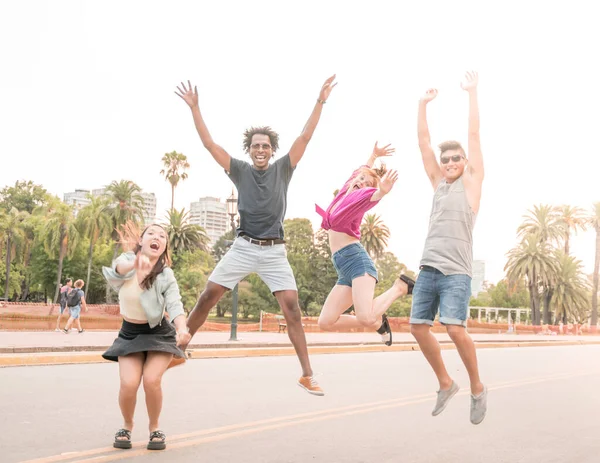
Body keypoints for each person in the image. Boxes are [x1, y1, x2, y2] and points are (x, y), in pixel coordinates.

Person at [175, 75, 337, 396]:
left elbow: (305, 136)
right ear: (249, 151)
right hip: (244, 246)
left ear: (272, 150)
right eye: (255, 146)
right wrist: (196, 108)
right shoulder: (239, 170)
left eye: (265, 146)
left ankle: (307, 374)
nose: (260, 150)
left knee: (292, 309)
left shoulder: (283, 169)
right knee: (208, 296)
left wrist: (319, 101)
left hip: (275, 251)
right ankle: (177, 348)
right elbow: (210, 145)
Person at [411, 71, 487, 424]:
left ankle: (476, 387)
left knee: (455, 329)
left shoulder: (471, 185)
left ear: (465, 163)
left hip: (457, 272)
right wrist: (423, 104)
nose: (452, 163)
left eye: (457, 158)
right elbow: (424, 142)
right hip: (429, 267)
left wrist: (471, 93)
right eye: (448, 160)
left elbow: (473, 135)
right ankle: (445, 382)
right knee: (417, 327)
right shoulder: (438, 184)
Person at [102, 223, 191, 451]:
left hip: (158, 334)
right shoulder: (127, 261)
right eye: (151, 233)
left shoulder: (165, 274)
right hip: (130, 333)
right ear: (141, 241)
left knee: (151, 380)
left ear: (164, 248)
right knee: (129, 384)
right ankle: (127, 426)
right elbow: (117, 269)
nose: (157, 237)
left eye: (162, 236)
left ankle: (155, 428)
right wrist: (136, 262)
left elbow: (175, 303)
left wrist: (181, 328)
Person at [316, 142, 414, 344]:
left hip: (356, 261)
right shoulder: (345, 192)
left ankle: (400, 287)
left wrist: (382, 191)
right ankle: (378, 324)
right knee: (325, 322)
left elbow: (373, 196)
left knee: (365, 316)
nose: (360, 181)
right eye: (360, 178)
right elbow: (359, 173)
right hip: (343, 266)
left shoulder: (358, 200)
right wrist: (373, 155)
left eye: (365, 182)